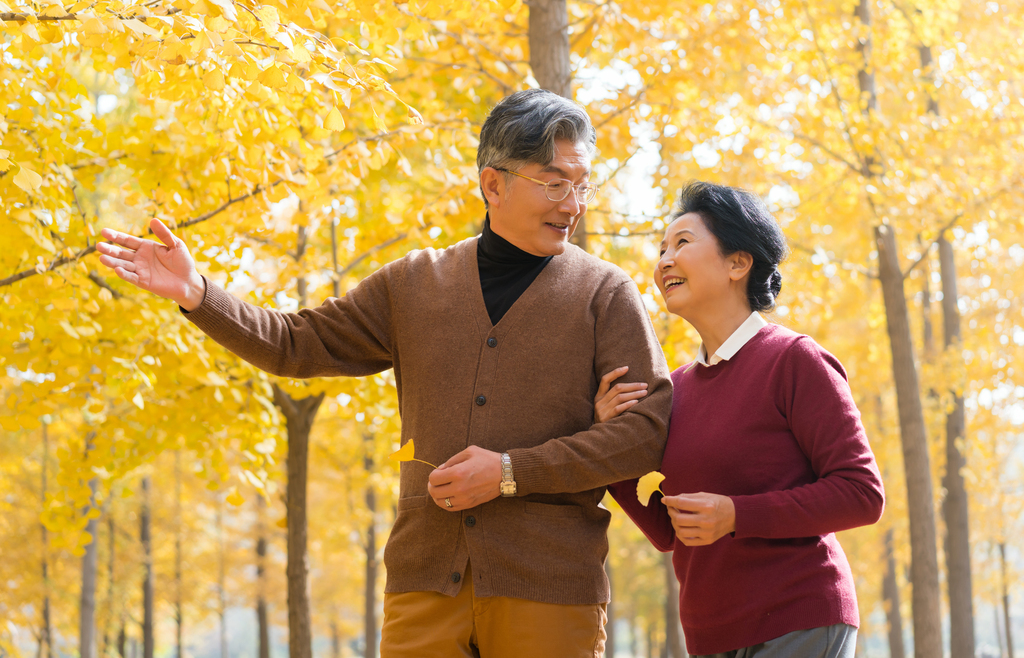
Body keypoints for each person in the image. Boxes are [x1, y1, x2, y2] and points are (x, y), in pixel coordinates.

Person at [96, 88, 673, 658]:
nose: (572, 203)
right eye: (553, 183)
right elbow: (297, 344)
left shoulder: (605, 293)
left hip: (549, 588)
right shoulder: (414, 284)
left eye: (582, 184)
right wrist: (197, 293)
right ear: (492, 183)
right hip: (423, 580)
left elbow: (644, 434)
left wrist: (508, 472)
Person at [598, 181, 884, 658]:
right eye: (661, 249)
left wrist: (736, 515)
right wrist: (608, 440)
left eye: (682, 243)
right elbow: (670, 533)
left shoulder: (794, 359)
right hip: (711, 635)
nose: (663, 260)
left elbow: (861, 493)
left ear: (738, 262)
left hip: (800, 618)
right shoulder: (674, 389)